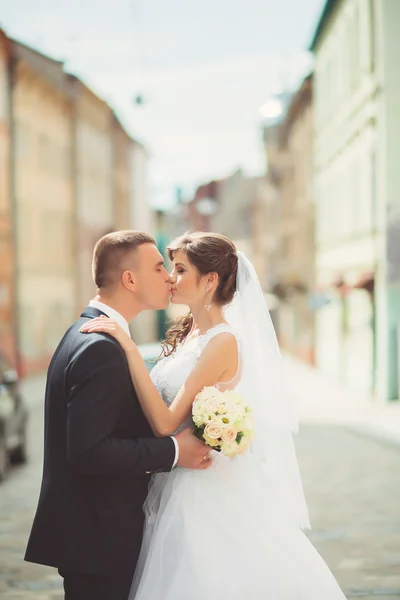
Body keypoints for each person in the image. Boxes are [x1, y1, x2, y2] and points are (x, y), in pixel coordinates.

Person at [81, 230, 347, 599]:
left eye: (180, 269)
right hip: (171, 479)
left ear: (210, 281)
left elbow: (166, 422)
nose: (171, 278)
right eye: (170, 268)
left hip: (201, 492)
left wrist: (128, 348)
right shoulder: (189, 332)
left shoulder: (223, 341)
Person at [25, 231, 211, 600]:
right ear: (130, 279)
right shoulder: (101, 347)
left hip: (94, 539)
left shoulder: (85, 333)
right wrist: (175, 451)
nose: (168, 277)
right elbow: (89, 451)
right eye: (159, 267)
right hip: (100, 542)